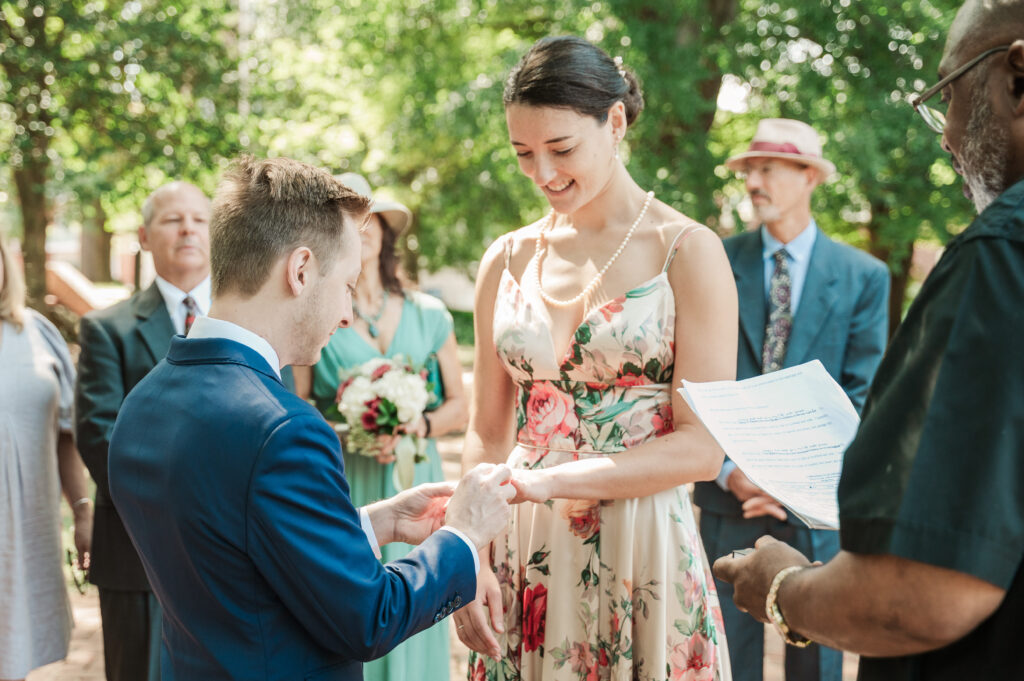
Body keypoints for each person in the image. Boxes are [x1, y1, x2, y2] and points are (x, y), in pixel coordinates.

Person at [106, 155, 515, 681]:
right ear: (300, 271)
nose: (347, 313)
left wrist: (377, 522)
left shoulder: (145, 400)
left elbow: (237, 557)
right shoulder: (282, 430)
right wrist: (462, 533)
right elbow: (370, 620)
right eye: (346, 284)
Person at [713, 2, 1024, 679]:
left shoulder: (999, 259)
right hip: (731, 499)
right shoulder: (717, 258)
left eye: (948, 92)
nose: (944, 134)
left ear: (1019, 76)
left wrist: (782, 589)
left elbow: (923, 594)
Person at [456, 36, 737, 680]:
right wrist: (466, 552)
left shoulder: (686, 252)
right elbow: (486, 430)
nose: (542, 173)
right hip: (521, 545)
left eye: (561, 149)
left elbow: (700, 448)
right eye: (523, 153)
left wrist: (551, 482)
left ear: (614, 123)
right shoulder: (505, 258)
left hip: (639, 546)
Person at [694, 118, 889, 681]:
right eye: (748, 170)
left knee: (818, 662)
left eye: (767, 168)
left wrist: (786, 481)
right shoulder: (711, 262)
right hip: (729, 499)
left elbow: (860, 393)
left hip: (815, 506)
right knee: (725, 661)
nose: (754, 181)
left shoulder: (863, 276)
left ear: (809, 176)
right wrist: (731, 470)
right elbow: (698, 381)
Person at [294, 172, 467, 681]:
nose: (363, 228)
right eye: (351, 220)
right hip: (347, 476)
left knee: (419, 592)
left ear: (386, 234)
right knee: (355, 602)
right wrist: (354, 429)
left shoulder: (430, 313)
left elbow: (460, 404)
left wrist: (419, 422)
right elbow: (299, 405)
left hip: (417, 477)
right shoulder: (314, 313)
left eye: (373, 219)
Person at [75, 181, 212, 681]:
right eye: (173, 220)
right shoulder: (106, 329)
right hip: (139, 555)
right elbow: (99, 435)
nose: (188, 229)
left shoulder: (253, 325)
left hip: (236, 559)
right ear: (144, 236)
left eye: (199, 218)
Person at [0, 237, 93, 681]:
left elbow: (66, 433)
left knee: (13, 654)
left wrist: (82, 510)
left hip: (22, 536)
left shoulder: (36, 332)